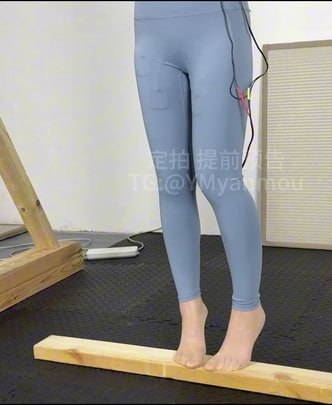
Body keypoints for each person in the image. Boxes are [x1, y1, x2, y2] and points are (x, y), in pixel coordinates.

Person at [133, 1, 265, 371]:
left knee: (218, 177)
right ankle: (191, 311)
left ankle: (248, 310)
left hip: (216, 24)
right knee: (172, 178)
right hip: (151, 28)